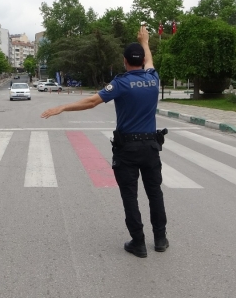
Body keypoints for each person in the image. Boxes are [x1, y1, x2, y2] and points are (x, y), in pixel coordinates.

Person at [40, 25, 169, 258]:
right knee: (155, 193)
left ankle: (138, 243)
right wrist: (146, 41)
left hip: (127, 149)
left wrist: (62, 107)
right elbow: (149, 61)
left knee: (130, 195)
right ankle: (160, 239)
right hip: (151, 147)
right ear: (141, 62)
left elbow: (91, 102)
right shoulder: (153, 79)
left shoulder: (121, 83)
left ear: (124, 61)